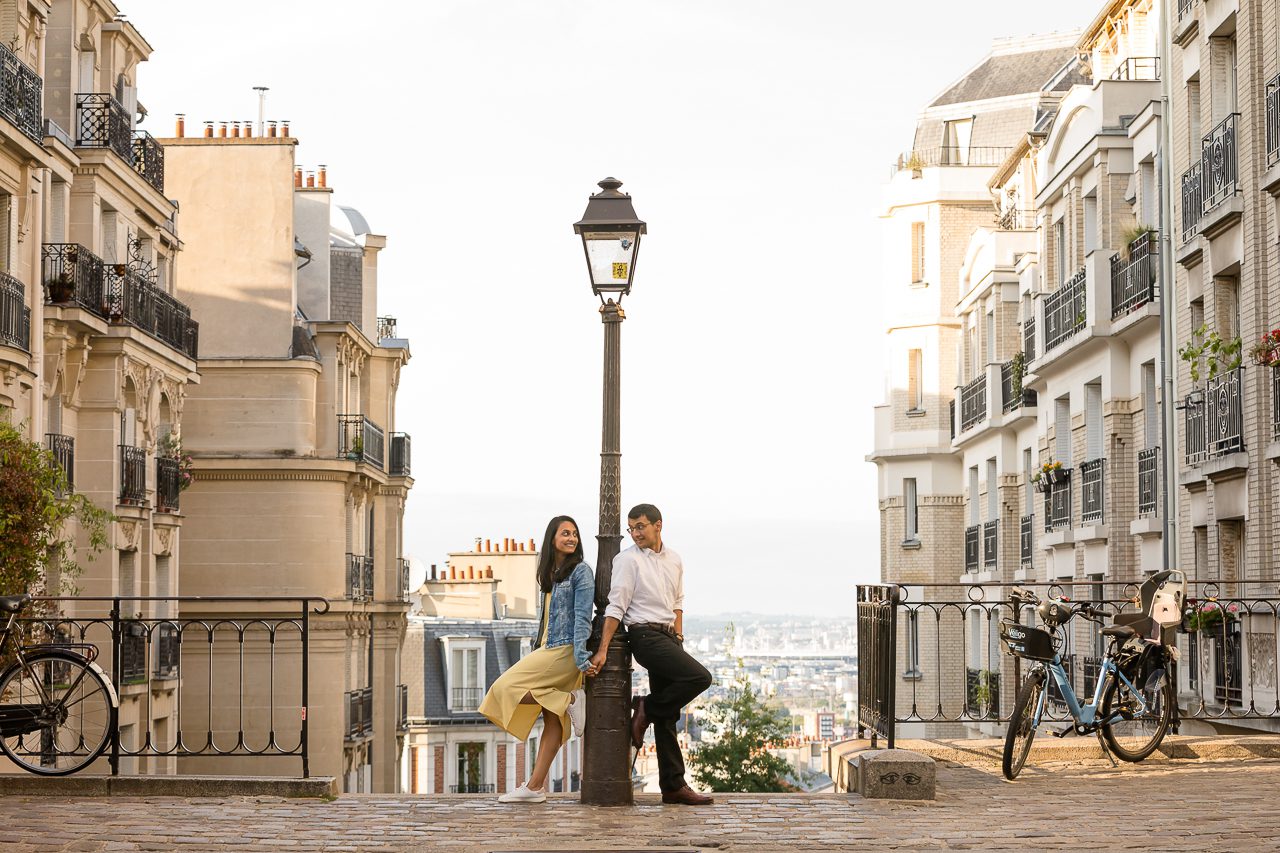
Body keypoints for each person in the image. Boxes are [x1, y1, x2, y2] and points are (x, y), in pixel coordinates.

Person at [588, 503, 714, 806]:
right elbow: (615, 606)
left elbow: (678, 601)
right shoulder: (627, 560)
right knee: (701, 677)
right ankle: (645, 706)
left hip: (669, 637)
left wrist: (679, 636)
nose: (635, 533)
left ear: (658, 525)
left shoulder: (674, 559)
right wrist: (603, 649)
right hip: (644, 636)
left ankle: (672, 787)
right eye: (631, 528)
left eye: (640, 526)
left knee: (668, 717)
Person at [479, 515, 595, 803]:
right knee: (552, 724)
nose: (571, 538)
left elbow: (583, 616)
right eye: (565, 533)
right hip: (547, 647)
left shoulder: (581, 571)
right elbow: (544, 622)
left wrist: (581, 658)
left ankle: (570, 701)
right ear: (552, 538)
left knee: (504, 689)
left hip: (564, 650)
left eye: (574, 534)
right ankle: (534, 787)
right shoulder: (549, 573)